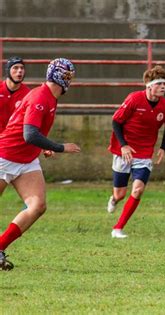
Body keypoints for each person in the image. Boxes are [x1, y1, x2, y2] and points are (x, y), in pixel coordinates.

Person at [0, 58, 81, 271]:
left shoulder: (51, 97)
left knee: (38, 206)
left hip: (26, 160)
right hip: (5, 157)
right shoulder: (40, 95)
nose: (70, 79)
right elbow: (29, 134)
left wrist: (44, 146)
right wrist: (59, 147)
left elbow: (32, 132)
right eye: (68, 75)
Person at [107, 65, 165, 239]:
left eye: (164, 84)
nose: (163, 87)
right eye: (159, 83)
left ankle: (118, 228)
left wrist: (163, 148)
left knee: (137, 190)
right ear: (149, 85)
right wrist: (123, 145)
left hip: (145, 153)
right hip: (124, 151)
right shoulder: (134, 99)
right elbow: (116, 122)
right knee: (120, 194)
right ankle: (114, 199)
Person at [1, 56, 30, 133]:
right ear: (8, 70)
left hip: (13, 138)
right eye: (15, 68)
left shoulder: (28, 94)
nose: (20, 70)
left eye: (22, 68)